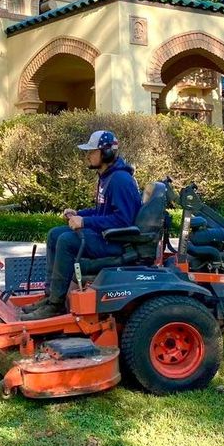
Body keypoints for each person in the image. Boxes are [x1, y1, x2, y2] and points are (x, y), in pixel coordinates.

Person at [20, 130, 142, 320]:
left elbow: (123, 220)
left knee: (67, 240)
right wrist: (79, 214)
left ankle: (56, 305)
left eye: (92, 151)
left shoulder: (120, 180)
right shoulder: (107, 176)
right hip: (107, 235)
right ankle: (51, 295)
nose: (88, 155)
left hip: (118, 242)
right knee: (54, 235)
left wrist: (84, 222)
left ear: (107, 153)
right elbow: (103, 211)